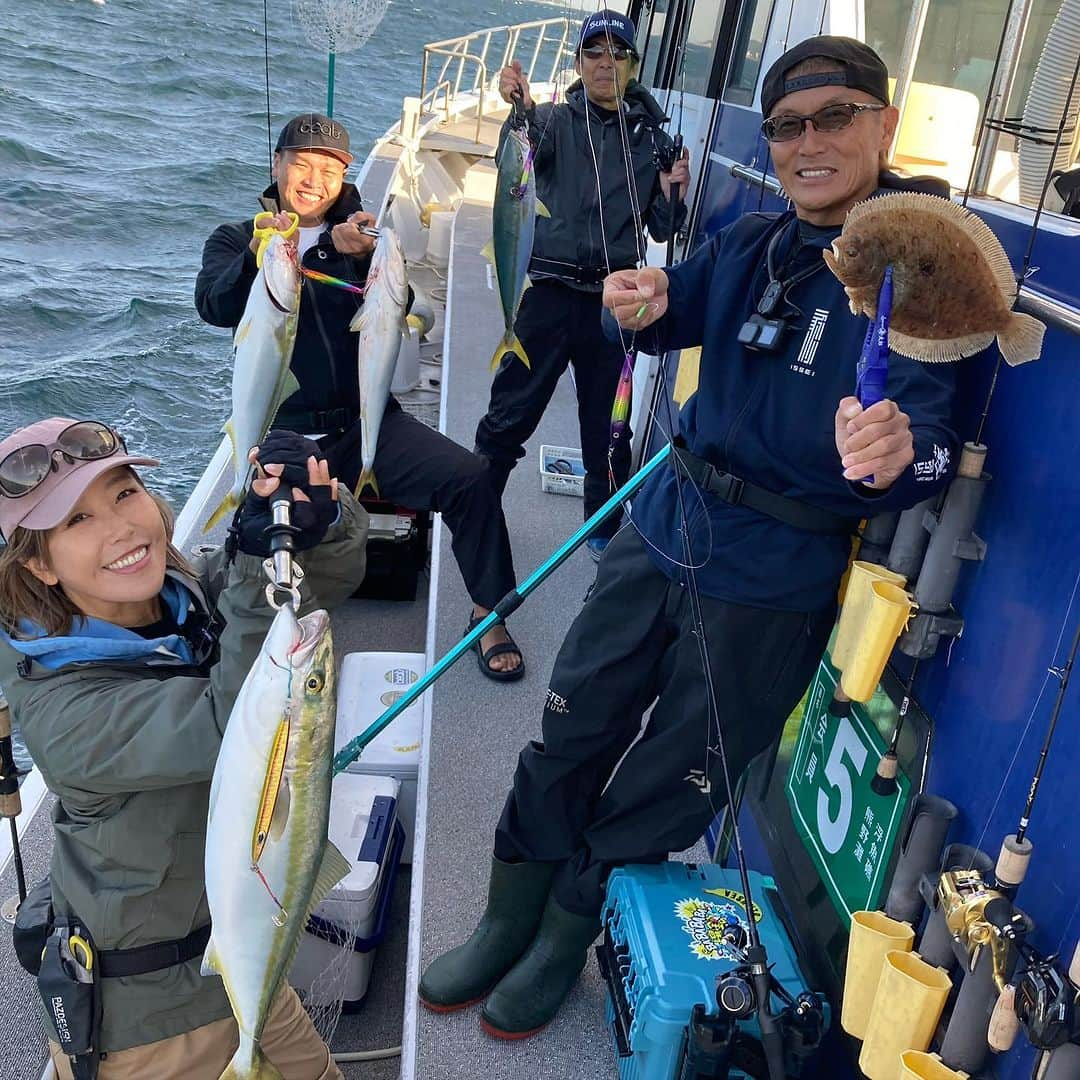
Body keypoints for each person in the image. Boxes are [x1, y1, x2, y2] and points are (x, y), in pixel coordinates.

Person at [420, 36, 963, 1040]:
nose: (809, 142)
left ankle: (563, 933)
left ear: (886, 127)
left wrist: (898, 455)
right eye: (789, 125)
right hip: (665, 524)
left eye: (836, 117)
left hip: (774, 576)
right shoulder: (759, 241)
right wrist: (644, 303)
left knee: (673, 774)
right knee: (572, 719)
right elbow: (673, 312)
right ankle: (509, 913)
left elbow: (931, 442)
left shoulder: (921, 270)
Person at [0, 418, 366, 1078]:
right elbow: (235, 730)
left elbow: (305, 596)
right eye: (77, 522)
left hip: (243, 955)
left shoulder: (182, 595)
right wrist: (259, 566)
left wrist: (311, 520)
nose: (121, 528)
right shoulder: (63, 711)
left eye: (124, 493)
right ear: (38, 565)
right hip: (150, 1027)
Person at [196, 113, 525, 681]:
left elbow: (411, 307)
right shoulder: (237, 240)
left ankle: (488, 613)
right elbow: (214, 306)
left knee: (470, 480)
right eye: (301, 164)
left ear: (343, 178)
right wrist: (261, 254)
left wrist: (353, 252)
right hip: (283, 433)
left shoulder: (363, 239)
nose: (312, 178)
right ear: (277, 166)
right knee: (260, 538)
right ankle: (240, 640)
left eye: (328, 169)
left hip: (365, 423)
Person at [473, 10, 691, 561]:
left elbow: (663, 228)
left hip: (611, 305)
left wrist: (673, 189)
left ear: (632, 65)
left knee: (608, 435)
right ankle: (473, 507)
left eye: (618, 53)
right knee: (508, 416)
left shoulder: (651, 140)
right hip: (548, 293)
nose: (605, 62)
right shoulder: (551, 122)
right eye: (594, 52)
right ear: (578, 63)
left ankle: (601, 535)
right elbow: (517, 155)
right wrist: (515, 106)